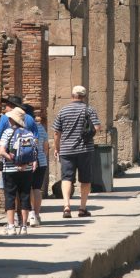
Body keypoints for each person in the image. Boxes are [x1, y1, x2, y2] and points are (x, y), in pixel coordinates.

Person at [53, 85, 101, 218]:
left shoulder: (63, 110)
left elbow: (57, 132)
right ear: (84, 96)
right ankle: (82, 208)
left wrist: (57, 148)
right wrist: (87, 135)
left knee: (67, 178)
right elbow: (97, 127)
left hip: (66, 150)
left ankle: (66, 206)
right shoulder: (89, 109)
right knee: (85, 179)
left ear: (72, 95)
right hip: (85, 149)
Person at [0, 95, 38, 227]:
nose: (5, 108)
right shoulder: (29, 119)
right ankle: (28, 220)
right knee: (25, 193)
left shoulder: (5, 119)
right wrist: (31, 161)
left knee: (10, 194)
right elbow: (36, 141)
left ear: (12, 107)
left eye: (6, 105)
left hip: (10, 166)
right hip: (26, 166)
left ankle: (13, 223)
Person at [30, 114, 49, 227]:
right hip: (41, 161)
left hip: (28, 162)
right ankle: (36, 215)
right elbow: (45, 145)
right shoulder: (40, 127)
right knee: (37, 188)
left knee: (28, 189)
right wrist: (43, 155)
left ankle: (31, 213)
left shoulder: (23, 128)